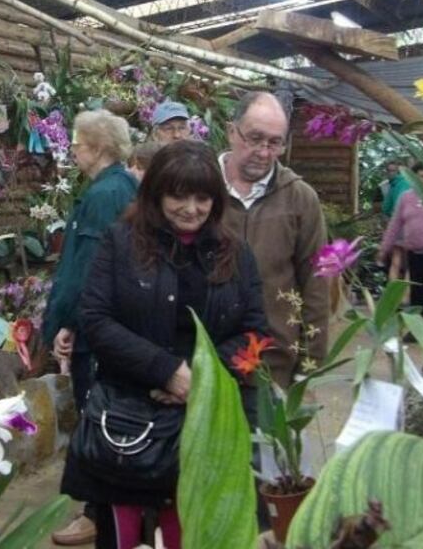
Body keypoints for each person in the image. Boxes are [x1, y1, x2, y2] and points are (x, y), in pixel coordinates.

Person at [64, 140, 268, 548]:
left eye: (202, 197)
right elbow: (96, 319)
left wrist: (202, 379)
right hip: (132, 421)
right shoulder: (120, 242)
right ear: (156, 193)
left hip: (209, 421)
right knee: (125, 533)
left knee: (195, 530)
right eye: (178, 195)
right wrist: (166, 371)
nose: (190, 208)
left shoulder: (235, 252)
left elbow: (255, 332)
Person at [44, 109, 138, 546]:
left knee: (96, 419)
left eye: (78, 143)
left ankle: (97, 514)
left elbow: (88, 269)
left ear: (98, 147)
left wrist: (68, 323)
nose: (74, 150)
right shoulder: (118, 187)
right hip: (109, 326)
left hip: (97, 332)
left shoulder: (105, 195)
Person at [220, 91, 329, 388]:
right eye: (254, 138)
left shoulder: (299, 198)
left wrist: (310, 369)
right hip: (201, 365)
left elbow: (317, 285)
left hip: (272, 366)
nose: (264, 152)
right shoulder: (199, 188)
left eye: (275, 142)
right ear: (232, 132)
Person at [378, 163, 423, 313]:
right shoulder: (406, 198)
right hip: (414, 251)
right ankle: (417, 329)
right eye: (418, 177)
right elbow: (394, 224)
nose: (421, 180)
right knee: (417, 291)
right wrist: (384, 249)